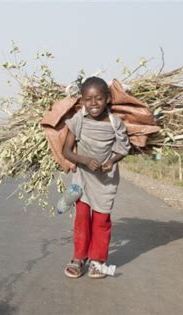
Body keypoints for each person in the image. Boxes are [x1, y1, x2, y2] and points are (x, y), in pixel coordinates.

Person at [62, 76, 131, 279]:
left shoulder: (114, 123)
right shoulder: (78, 120)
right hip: (83, 178)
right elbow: (66, 151)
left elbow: (123, 148)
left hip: (106, 181)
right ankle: (78, 258)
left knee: (101, 220)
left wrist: (113, 161)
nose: (93, 104)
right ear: (82, 101)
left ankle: (98, 260)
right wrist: (84, 159)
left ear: (107, 98)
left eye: (99, 98)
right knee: (82, 219)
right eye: (88, 99)